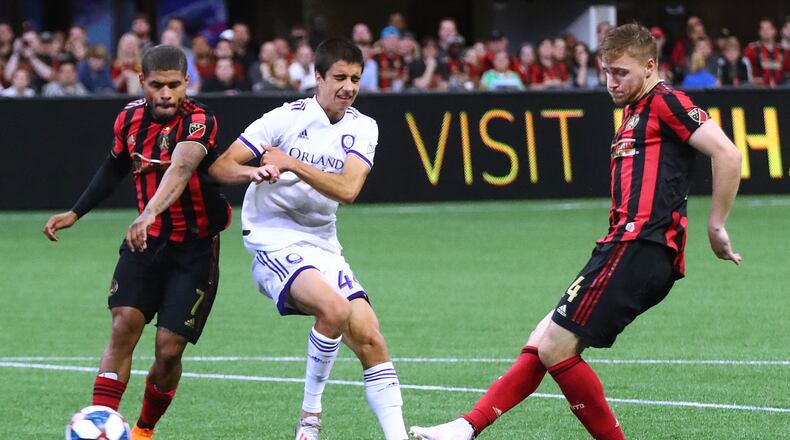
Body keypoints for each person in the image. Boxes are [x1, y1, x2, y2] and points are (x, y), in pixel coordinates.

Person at [410, 23, 742, 440]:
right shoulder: (634, 111)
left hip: (640, 246)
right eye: (606, 71)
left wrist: (716, 226)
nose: (611, 82)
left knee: (554, 346)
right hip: (623, 248)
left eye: (620, 72)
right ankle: (466, 426)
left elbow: (728, 154)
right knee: (543, 337)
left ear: (650, 66)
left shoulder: (666, 102)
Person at [42, 45, 277, 440]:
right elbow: (114, 166)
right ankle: (101, 424)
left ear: (187, 82)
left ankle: (142, 431)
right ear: (142, 82)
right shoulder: (129, 118)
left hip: (195, 248)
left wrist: (149, 212)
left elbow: (183, 167)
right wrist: (75, 213)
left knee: (169, 351)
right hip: (145, 244)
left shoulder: (199, 120)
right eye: (157, 85)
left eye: (174, 84)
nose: (166, 93)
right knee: (123, 325)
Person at [208, 37, 408, 440]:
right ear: (317, 77)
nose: (348, 87)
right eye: (339, 77)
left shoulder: (363, 127)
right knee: (333, 310)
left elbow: (349, 190)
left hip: (322, 242)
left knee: (370, 337)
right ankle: (310, 419)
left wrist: (289, 162)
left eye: (355, 78)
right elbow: (221, 166)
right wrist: (253, 173)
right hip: (272, 237)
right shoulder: (283, 118)